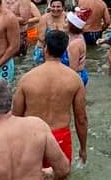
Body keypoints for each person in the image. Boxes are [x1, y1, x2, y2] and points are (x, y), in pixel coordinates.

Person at [12, 30, 87, 164]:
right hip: (60, 137)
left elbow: (16, 116)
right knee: (61, 179)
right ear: (65, 50)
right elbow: (81, 119)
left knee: (32, 178)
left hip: (32, 136)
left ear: (45, 48)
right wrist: (83, 148)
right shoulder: (75, 80)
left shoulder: (27, 79)